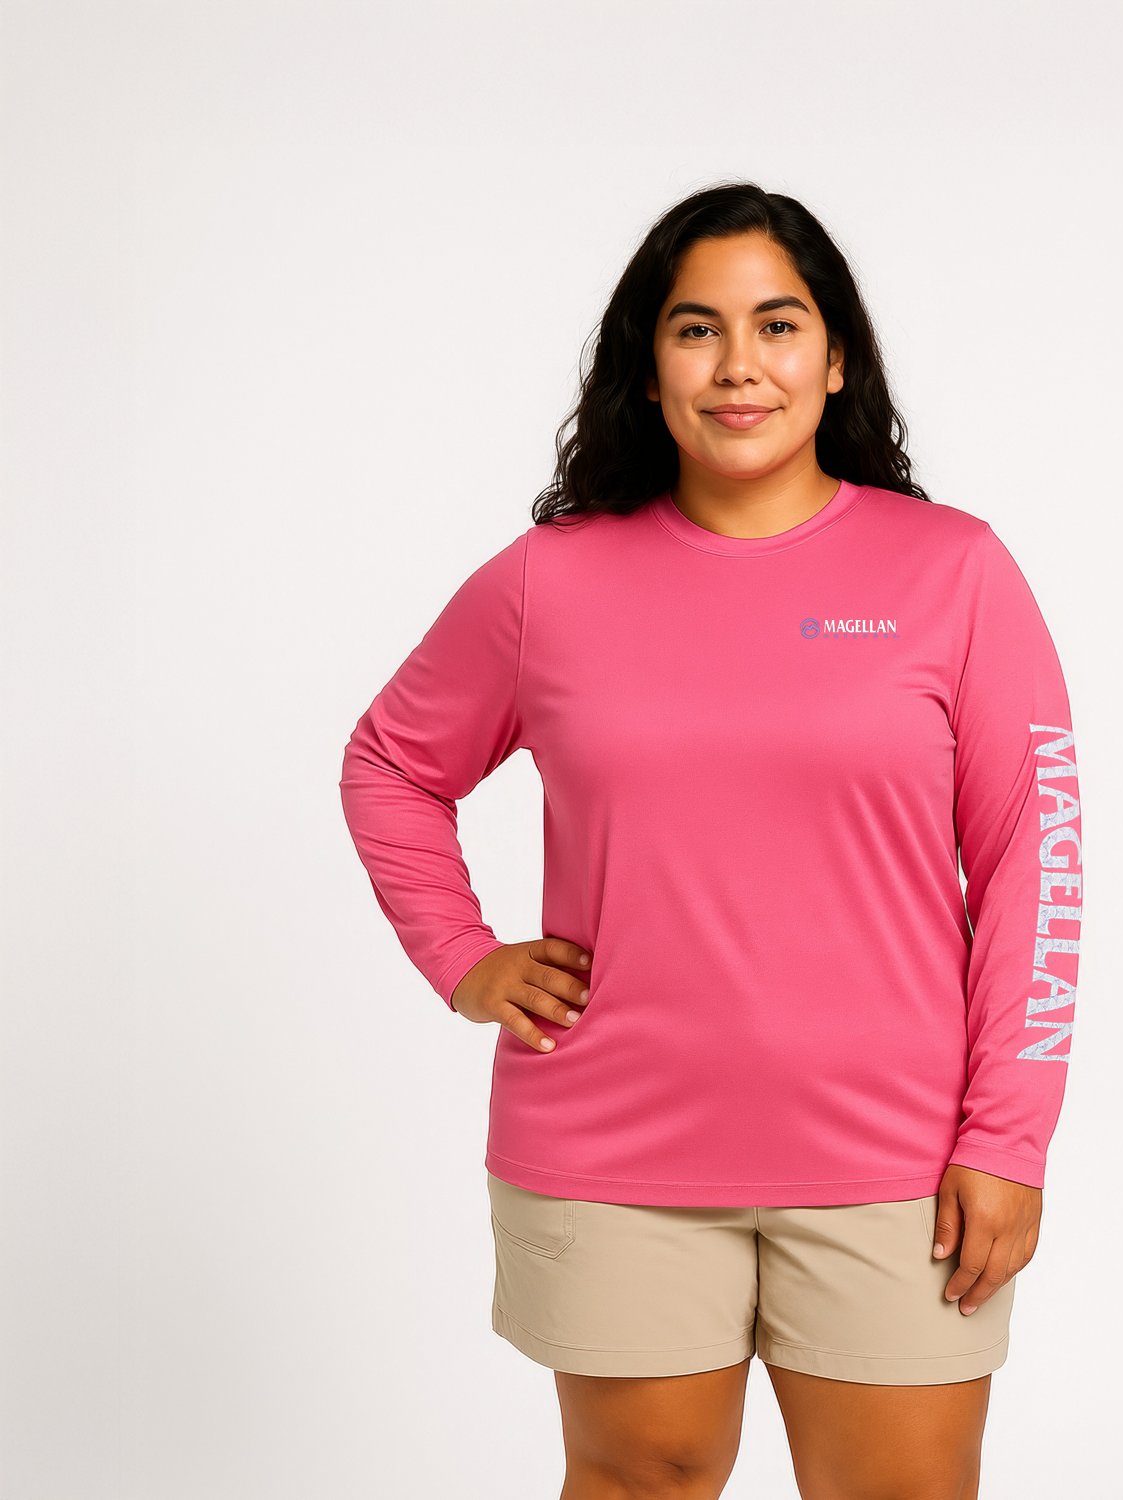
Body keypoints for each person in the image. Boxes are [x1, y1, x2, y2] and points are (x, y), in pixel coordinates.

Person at [339, 181, 1083, 1499]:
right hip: (614, 1150)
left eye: (778, 324)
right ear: (649, 365)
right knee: (641, 1482)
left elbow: (1038, 859)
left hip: (899, 1165)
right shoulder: (550, 581)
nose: (740, 365)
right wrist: (464, 957)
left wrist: (1006, 1141)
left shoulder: (954, 573)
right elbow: (393, 763)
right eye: (698, 329)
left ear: (837, 357)